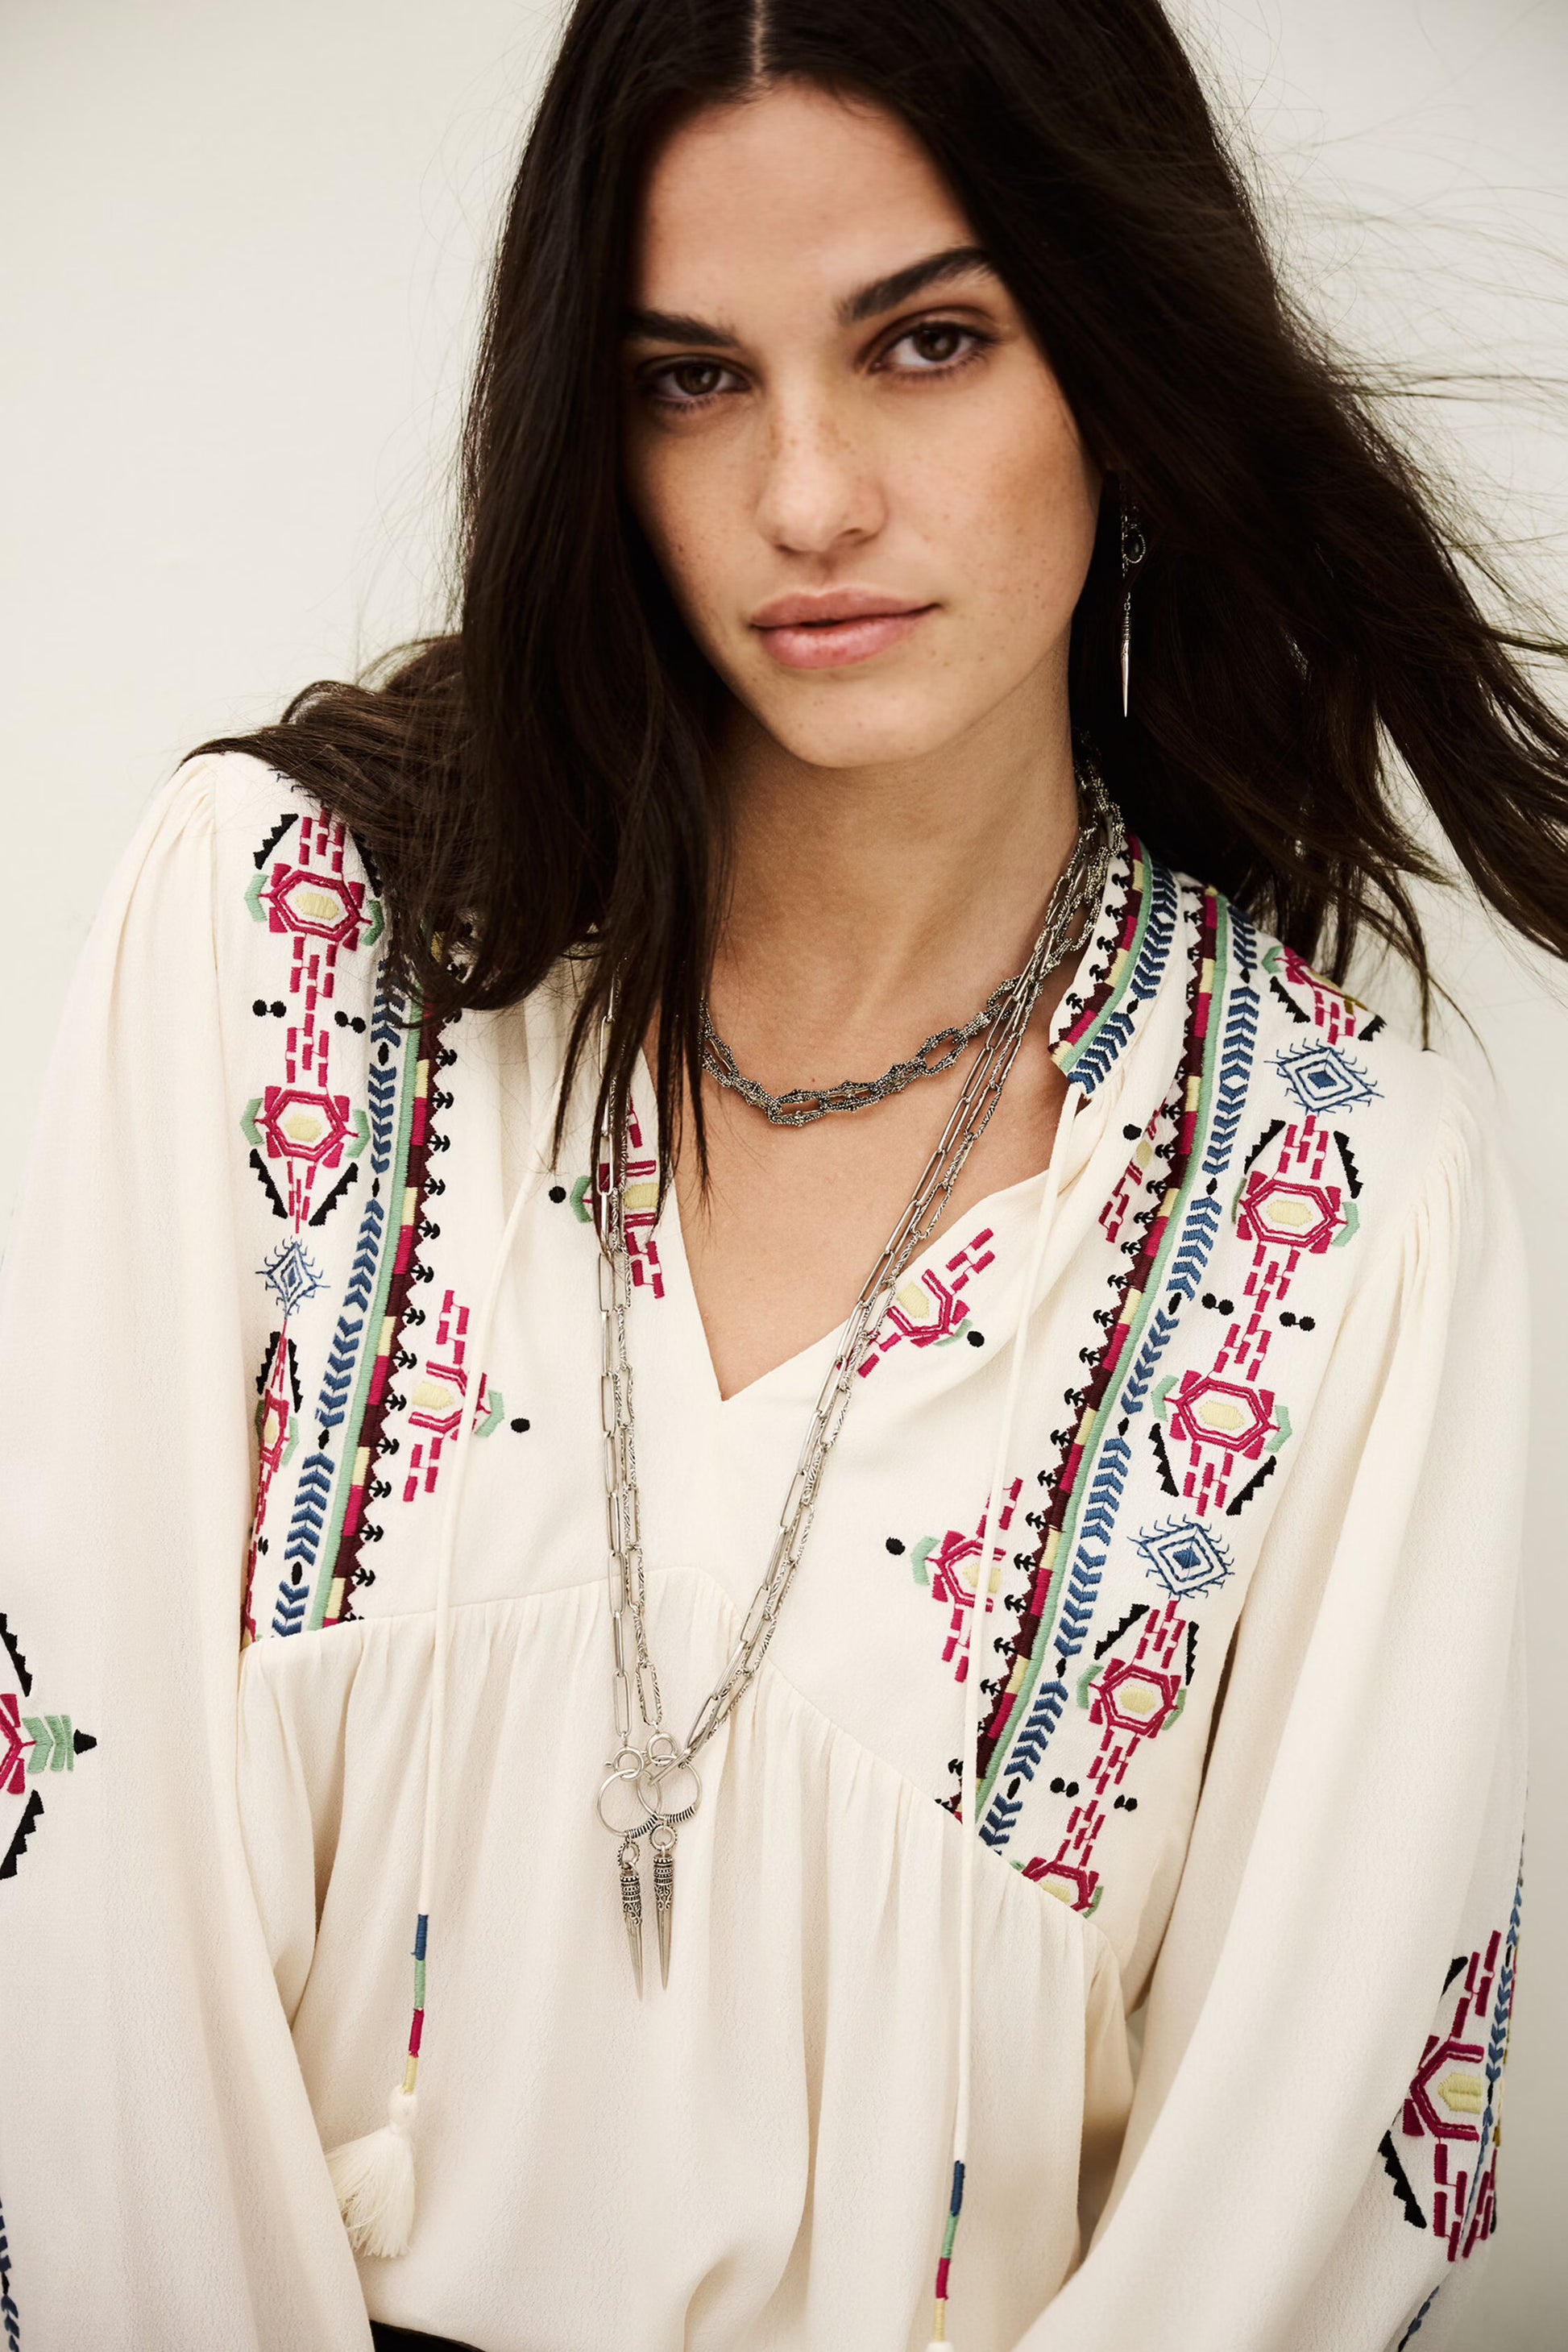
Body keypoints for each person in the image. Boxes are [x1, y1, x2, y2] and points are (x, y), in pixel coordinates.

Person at [1, 1, 1561, 2346]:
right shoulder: (273, 942)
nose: (806, 498)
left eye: (926, 341)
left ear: (1123, 374)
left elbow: (1305, 2180)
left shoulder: (1343, 1204)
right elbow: (74, 1907)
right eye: (690, 378)